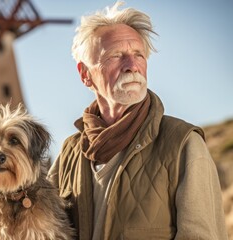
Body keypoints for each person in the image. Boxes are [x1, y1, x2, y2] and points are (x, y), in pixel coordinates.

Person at [47, 1, 228, 239]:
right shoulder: (69, 152)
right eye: (116, 56)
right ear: (85, 74)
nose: (132, 66)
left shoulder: (183, 144)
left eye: (138, 55)